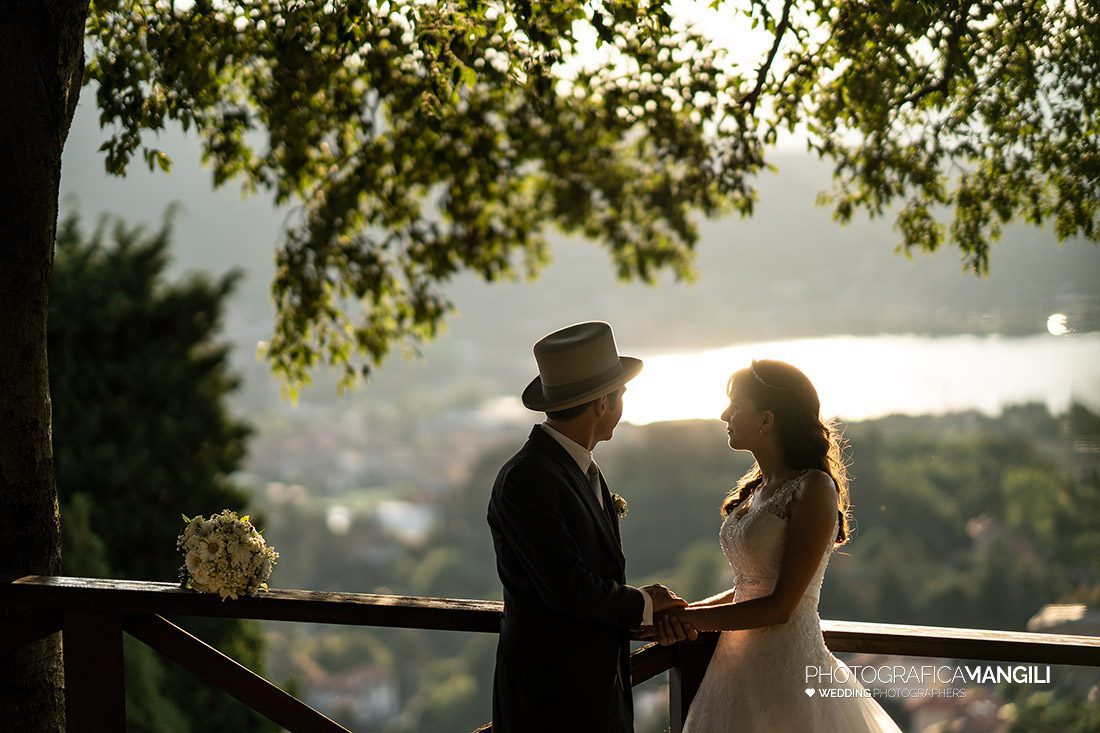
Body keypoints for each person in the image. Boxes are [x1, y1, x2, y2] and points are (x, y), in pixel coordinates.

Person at [654, 359, 902, 732]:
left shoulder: (813, 488)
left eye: (736, 406)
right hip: (734, 672)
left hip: (788, 674)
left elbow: (780, 606)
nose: (725, 415)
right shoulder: (758, 488)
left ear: (767, 419)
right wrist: (681, 613)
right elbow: (748, 588)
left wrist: (688, 619)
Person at [487, 321, 690, 732]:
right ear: (602, 403)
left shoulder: (577, 468)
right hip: (548, 701)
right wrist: (646, 604)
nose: (623, 406)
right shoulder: (529, 477)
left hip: (595, 695)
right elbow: (568, 588)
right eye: (622, 396)